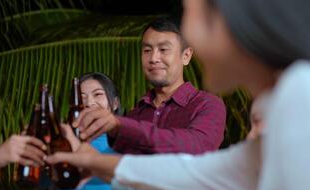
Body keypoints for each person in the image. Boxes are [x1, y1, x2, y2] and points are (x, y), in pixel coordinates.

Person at [46, 0, 310, 190]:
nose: (155, 57)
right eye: (148, 50)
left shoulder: (306, 93)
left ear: (230, 19)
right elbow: (199, 174)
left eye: (190, 12)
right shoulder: (292, 96)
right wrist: (90, 161)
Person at [76, 17, 226, 156]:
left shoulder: (207, 105)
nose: (153, 58)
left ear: (185, 56)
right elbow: (122, 168)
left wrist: (122, 126)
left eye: (163, 50)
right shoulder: (135, 115)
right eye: (147, 50)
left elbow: (197, 145)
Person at [58, 72, 119, 190]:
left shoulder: (127, 144)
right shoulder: (61, 142)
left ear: (115, 103)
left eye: (98, 94)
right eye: (81, 97)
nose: (89, 103)